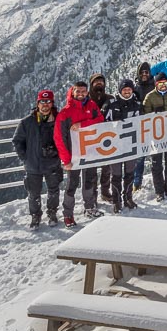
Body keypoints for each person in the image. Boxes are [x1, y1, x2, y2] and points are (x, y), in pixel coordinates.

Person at [54, 81, 105, 226]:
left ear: (87, 92)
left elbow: (100, 120)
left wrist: (82, 125)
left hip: (90, 152)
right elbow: (59, 137)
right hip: (73, 155)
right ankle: (68, 214)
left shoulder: (92, 106)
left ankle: (89, 207)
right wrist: (65, 159)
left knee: (89, 180)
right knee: (72, 184)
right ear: (73, 92)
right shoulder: (65, 112)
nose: (81, 94)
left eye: (83, 91)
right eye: (78, 91)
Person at [11, 89, 63, 228]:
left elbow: (67, 138)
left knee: (54, 190)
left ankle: (52, 212)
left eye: (48, 101)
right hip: (33, 164)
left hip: (52, 162)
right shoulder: (27, 122)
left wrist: (59, 153)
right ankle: (35, 215)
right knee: (33, 193)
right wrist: (25, 157)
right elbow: (17, 141)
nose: (45, 104)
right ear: (37, 103)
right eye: (42, 102)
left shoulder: (59, 120)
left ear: (52, 103)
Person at [143, 71, 167, 201]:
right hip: (156, 135)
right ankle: (159, 191)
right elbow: (145, 116)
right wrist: (155, 114)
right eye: (161, 83)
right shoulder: (149, 97)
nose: (163, 85)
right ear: (156, 84)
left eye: (165, 83)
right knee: (157, 165)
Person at [105, 79, 143, 212]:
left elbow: (142, 122)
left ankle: (128, 197)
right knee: (115, 175)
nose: (127, 92)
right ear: (120, 90)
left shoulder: (137, 104)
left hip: (130, 145)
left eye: (129, 89)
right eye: (124, 89)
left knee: (129, 173)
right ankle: (116, 200)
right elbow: (102, 123)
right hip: (114, 146)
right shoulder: (111, 104)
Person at [88, 73, 115, 204]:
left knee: (107, 167)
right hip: (90, 138)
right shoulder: (86, 99)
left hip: (106, 137)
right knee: (91, 169)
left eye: (101, 81)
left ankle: (105, 191)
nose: (99, 84)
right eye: (96, 82)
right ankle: (92, 194)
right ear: (91, 84)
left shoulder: (110, 98)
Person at [132, 61, 154, 190]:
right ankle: (137, 182)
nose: (144, 74)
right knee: (139, 157)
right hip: (139, 127)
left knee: (157, 155)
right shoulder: (135, 88)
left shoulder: (155, 87)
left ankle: (159, 181)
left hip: (154, 125)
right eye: (142, 72)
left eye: (147, 72)